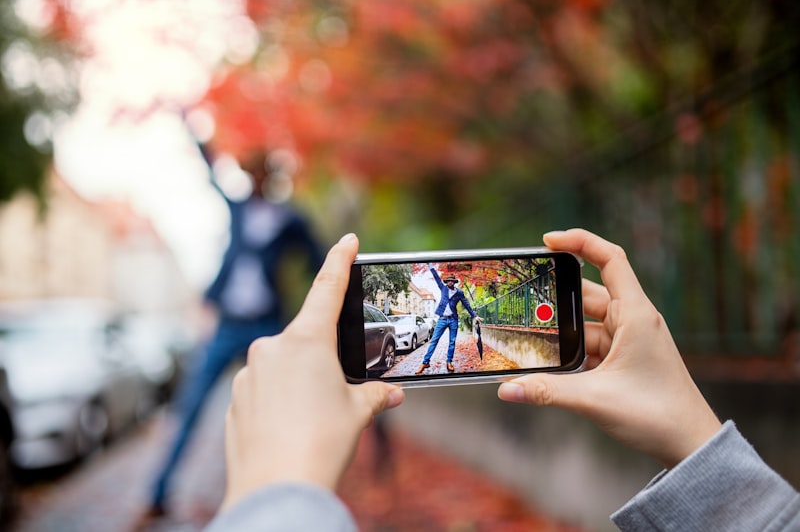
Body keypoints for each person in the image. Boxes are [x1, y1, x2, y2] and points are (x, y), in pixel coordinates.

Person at [204, 229, 800, 532]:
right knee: (443, 342)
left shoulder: (456, 297)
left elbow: (460, 304)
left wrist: (276, 491)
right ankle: (444, 354)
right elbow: (448, 298)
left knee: (446, 343)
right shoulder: (444, 294)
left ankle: (446, 354)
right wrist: (697, 442)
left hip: (450, 327)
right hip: (445, 326)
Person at [140, 146, 325, 521]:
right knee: (190, 405)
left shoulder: (289, 218)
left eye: (262, 173)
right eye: (249, 173)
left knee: (278, 407)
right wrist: (192, 129)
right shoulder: (237, 208)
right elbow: (211, 172)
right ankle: (158, 494)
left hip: (266, 326)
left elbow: (317, 256)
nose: (255, 179)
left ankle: (280, 492)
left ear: (271, 177)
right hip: (228, 324)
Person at [416, 265, 482, 374]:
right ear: (446, 282)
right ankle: (425, 362)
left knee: (452, 342)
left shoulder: (459, 293)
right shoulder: (443, 288)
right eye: (448, 281)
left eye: (452, 281)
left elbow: (466, 304)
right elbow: (436, 277)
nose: (450, 282)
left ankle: (449, 361)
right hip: (442, 319)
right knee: (434, 340)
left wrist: (474, 316)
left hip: (453, 320)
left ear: (454, 282)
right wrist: (430, 266)